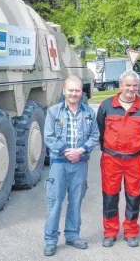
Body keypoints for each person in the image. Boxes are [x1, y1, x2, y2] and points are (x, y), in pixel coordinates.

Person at [43, 75, 100, 257]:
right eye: (71, 90)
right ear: (64, 91)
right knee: (55, 202)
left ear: (81, 92)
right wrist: (67, 151)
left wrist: (81, 150)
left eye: (77, 90)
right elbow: (49, 136)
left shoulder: (89, 113)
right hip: (59, 163)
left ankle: (72, 236)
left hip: (80, 163)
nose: (74, 94)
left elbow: (94, 136)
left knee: (75, 201)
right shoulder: (53, 112)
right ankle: (51, 240)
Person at [96, 70, 140, 248]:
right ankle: (110, 232)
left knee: (134, 196)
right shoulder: (106, 106)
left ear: (139, 87)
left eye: (135, 86)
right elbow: (101, 131)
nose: (131, 89)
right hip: (111, 159)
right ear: (120, 85)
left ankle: (130, 231)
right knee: (110, 196)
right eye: (127, 85)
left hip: (135, 160)